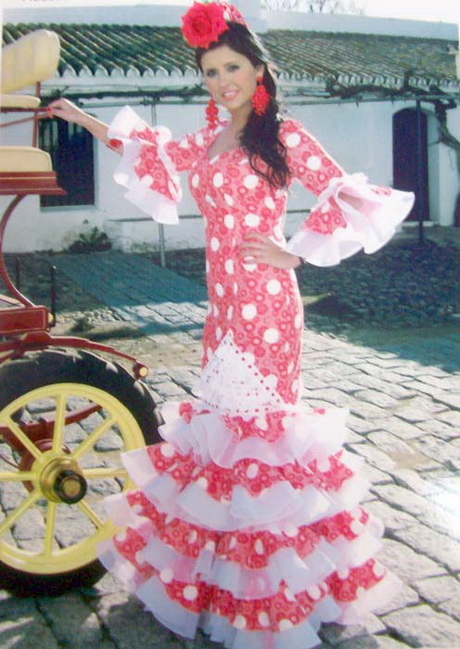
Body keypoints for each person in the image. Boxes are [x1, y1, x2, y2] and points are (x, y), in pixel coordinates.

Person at [49, 2, 414, 647]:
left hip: (268, 304)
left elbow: (346, 193)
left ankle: (273, 598)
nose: (222, 80)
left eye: (233, 67)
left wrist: (295, 250)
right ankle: (222, 582)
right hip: (221, 305)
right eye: (211, 70)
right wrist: (81, 119)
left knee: (261, 441)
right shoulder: (212, 136)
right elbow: (150, 149)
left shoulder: (284, 133)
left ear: (257, 69)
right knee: (223, 436)